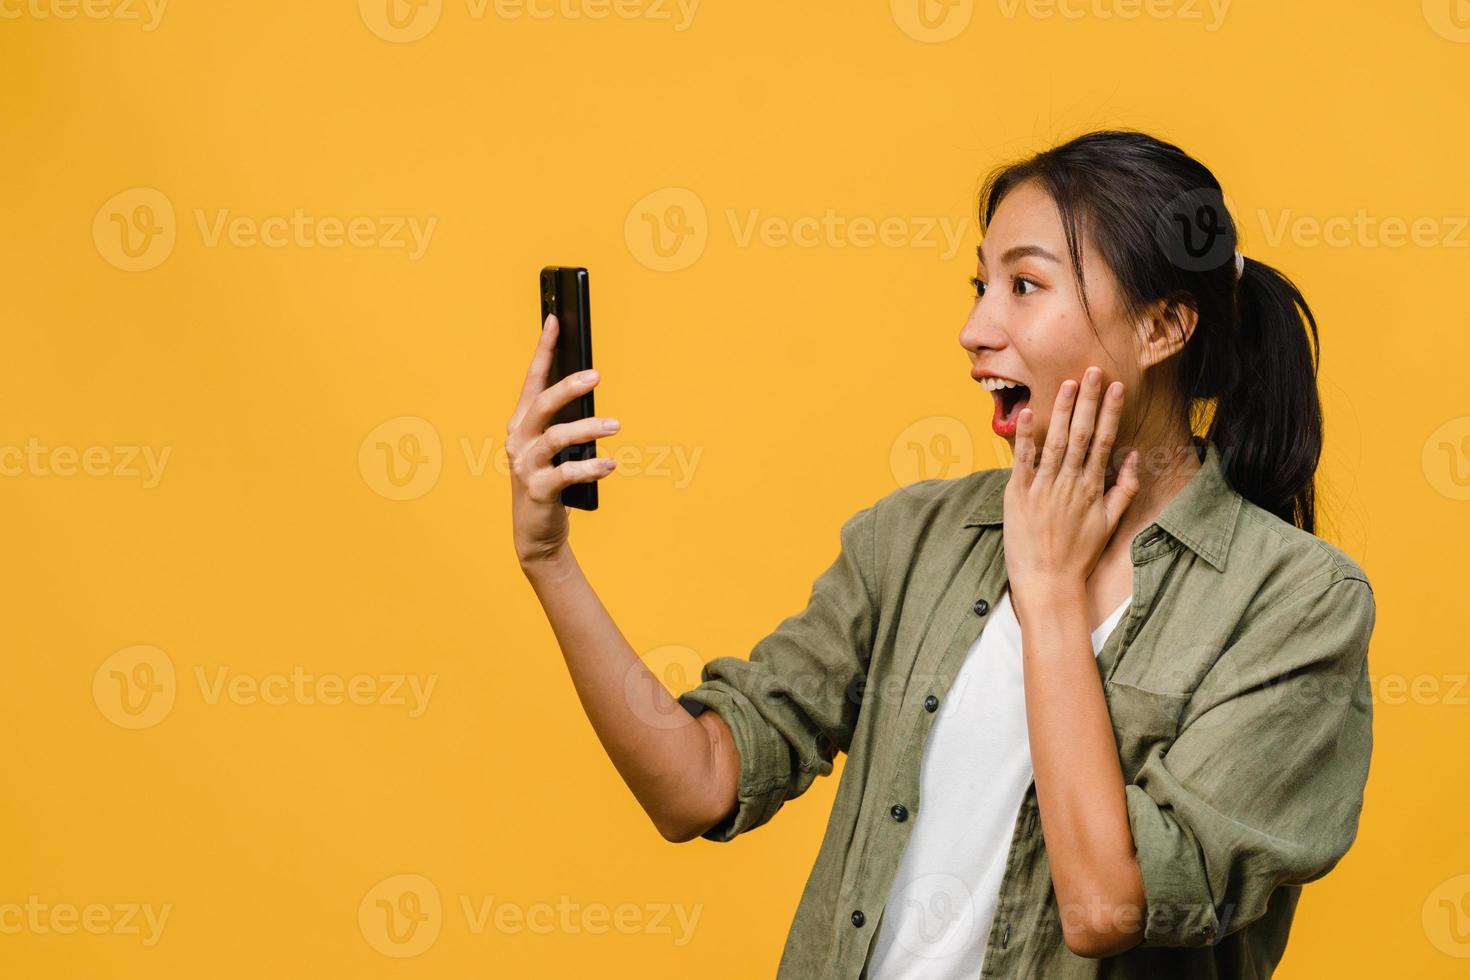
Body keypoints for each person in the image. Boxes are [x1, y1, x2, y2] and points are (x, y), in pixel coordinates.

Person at [508, 130, 1376, 978]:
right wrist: (551, 562)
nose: (974, 329)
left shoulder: (1297, 604)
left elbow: (1106, 907)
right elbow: (694, 787)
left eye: (1025, 285)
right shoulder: (915, 537)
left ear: (1161, 328)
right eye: (980, 285)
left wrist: (1047, 592)